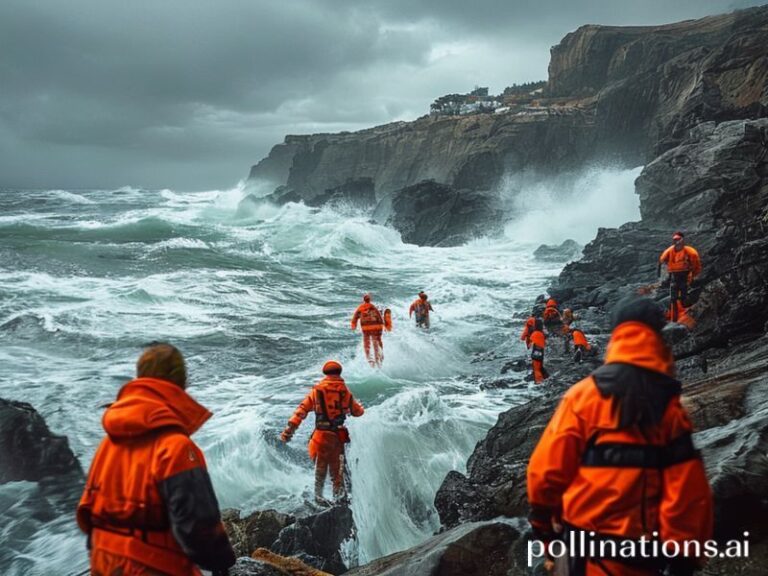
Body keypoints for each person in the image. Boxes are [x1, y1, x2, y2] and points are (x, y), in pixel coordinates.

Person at [527, 297, 713, 576]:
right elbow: (687, 495)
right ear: (658, 337)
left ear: (616, 336)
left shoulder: (582, 397)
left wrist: (544, 532)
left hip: (581, 555)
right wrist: (684, 559)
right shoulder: (669, 409)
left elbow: (544, 474)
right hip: (640, 559)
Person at [76, 343, 236, 576]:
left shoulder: (107, 444)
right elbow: (198, 527)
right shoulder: (175, 448)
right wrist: (222, 564)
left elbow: (86, 510)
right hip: (153, 565)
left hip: (103, 559)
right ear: (181, 384)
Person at [281, 360, 364, 505]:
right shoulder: (345, 392)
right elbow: (358, 412)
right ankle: (339, 502)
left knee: (320, 471)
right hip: (337, 438)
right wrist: (359, 407)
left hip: (319, 437)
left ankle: (318, 498)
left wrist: (288, 433)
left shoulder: (317, 391)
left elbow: (300, 412)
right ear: (339, 373)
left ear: (325, 373)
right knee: (337, 473)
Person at [658, 232, 702, 322]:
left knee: (684, 297)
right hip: (674, 277)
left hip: (685, 276)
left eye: (679, 240)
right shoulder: (669, 251)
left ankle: (688, 313)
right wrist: (663, 278)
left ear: (683, 240)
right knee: (673, 298)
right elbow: (662, 262)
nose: (677, 242)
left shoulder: (690, 252)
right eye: (675, 240)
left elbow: (696, 265)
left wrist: (694, 276)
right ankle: (674, 319)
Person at [351, 294, 386, 367]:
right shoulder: (373, 307)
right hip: (374, 328)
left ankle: (371, 361)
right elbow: (379, 317)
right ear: (369, 300)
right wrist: (382, 324)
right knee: (376, 342)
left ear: (363, 300)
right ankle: (378, 359)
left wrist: (354, 325)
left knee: (367, 344)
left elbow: (355, 317)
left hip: (366, 329)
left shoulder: (361, 307)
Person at [530, 318, 548, 384]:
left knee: (536, 369)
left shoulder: (535, 333)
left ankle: (539, 382)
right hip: (541, 353)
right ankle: (546, 378)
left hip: (536, 353)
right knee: (540, 367)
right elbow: (544, 343)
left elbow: (530, 344)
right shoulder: (541, 334)